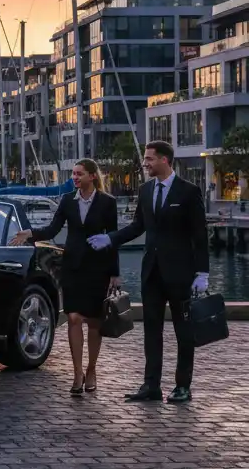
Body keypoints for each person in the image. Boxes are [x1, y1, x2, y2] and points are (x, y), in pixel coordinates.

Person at [88, 140, 209, 404]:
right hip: (151, 273)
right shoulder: (145, 191)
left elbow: (200, 235)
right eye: (145, 159)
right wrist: (111, 238)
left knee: (183, 331)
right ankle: (151, 386)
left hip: (180, 274)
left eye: (150, 159)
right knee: (151, 331)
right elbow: (137, 227)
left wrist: (203, 273)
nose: (145, 163)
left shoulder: (188, 192)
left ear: (165, 160)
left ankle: (182, 386)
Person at [11, 159, 119, 395]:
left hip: (97, 268)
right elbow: (53, 229)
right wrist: (31, 233)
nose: (75, 178)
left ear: (92, 176)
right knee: (73, 318)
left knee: (94, 322)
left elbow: (113, 239)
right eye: (73, 174)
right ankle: (77, 372)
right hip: (72, 267)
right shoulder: (67, 200)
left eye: (79, 174)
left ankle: (92, 369)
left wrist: (115, 273)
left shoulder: (107, 203)